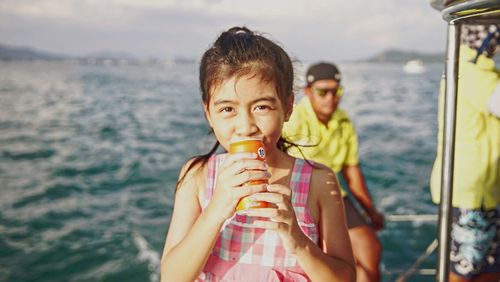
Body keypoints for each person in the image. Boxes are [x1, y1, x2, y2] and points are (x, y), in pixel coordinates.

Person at [160, 26, 356, 281]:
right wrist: (218, 207)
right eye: (228, 109)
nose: (246, 126)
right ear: (208, 112)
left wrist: (297, 240)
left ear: (287, 107)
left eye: (262, 106)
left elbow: (346, 277)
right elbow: (172, 277)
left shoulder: (320, 181)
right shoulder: (197, 175)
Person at [282, 62, 384, 282]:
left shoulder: (344, 121)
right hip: (297, 198)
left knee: (371, 248)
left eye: (336, 90)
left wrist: (371, 211)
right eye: (323, 91)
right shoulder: (292, 119)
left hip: (334, 195)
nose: (331, 97)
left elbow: (352, 173)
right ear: (307, 92)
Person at [430, 24, 500, 282]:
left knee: (488, 271)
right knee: (464, 271)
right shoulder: (469, 69)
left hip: (484, 192)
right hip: (469, 192)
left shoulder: (476, 68)